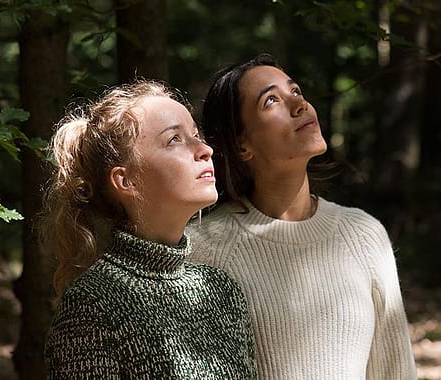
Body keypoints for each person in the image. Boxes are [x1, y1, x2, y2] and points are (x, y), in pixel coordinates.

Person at [188, 53, 416, 379]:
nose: (299, 105)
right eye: (271, 100)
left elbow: (396, 372)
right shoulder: (204, 249)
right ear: (242, 146)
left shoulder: (364, 235)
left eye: (296, 91)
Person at [42, 80, 257, 378]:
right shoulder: (93, 304)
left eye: (196, 135)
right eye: (175, 140)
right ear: (126, 181)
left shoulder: (222, 291)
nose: (205, 149)